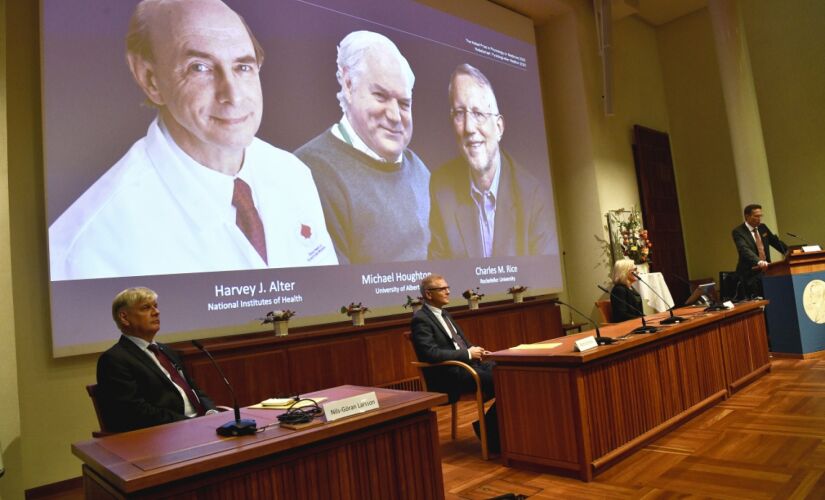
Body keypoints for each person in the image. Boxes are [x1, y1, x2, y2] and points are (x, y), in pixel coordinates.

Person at [49, 0, 337, 280]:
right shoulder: (88, 246)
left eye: (243, 67)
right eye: (200, 68)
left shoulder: (292, 174)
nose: (233, 96)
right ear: (150, 80)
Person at [295, 31, 430, 264]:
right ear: (348, 85)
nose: (395, 116)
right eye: (381, 96)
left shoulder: (419, 170)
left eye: (404, 103)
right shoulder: (307, 170)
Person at [429, 63, 556, 259]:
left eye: (478, 114)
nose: (469, 127)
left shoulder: (531, 195)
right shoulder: (441, 187)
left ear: (499, 128)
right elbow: (437, 270)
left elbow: (541, 275)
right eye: (459, 114)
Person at [97, 287, 217, 432]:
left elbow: (194, 390)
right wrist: (191, 423)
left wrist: (211, 413)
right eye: (146, 307)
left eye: (156, 306)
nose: (156, 312)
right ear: (124, 317)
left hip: (199, 425)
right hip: (164, 435)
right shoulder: (114, 360)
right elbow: (135, 412)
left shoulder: (166, 350)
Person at [410, 274, 499, 452]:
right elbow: (430, 354)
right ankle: (490, 433)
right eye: (442, 289)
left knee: (508, 370)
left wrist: (476, 350)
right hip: (449, 375)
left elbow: (461, 343)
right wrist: (467, 353)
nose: (448, 291)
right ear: (428, 294)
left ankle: (492, 430)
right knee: (504, 379)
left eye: (447, 287)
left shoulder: (445, 314)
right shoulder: (421, 319)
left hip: (467, 367)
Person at [732, 204, 787, 298]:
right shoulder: (738, 232)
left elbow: (776, 243)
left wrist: (791, 253)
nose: (759, 219)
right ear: (747, 216)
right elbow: (744, 250)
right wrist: (759, 261)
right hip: (750, 275)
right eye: (756, 216)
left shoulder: (762, 228)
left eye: (760, 216)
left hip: (767, 272)